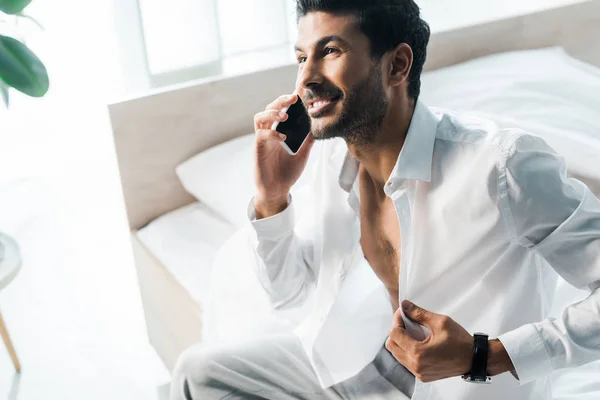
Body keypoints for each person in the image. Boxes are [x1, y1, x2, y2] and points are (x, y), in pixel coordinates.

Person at [170, 0, 600, 399]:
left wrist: (484, 355)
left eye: (330, 51)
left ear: (397, 65)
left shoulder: (502, 167)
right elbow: (290, 296)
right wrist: (272, 198)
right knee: (197, 372)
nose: (305, 79)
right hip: (364, 366)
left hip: (459, 387)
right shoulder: (334, 157)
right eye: (302, 57)